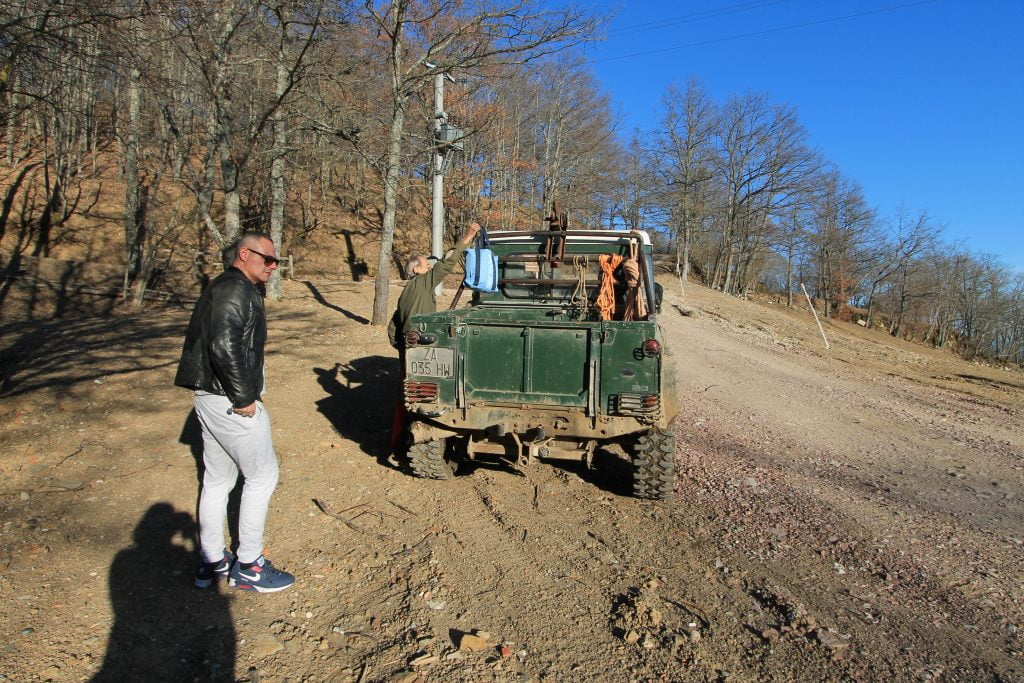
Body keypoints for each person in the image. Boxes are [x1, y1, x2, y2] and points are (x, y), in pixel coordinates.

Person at [174, 231, 294, 593]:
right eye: (268, 259)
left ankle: (213, 561)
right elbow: (223, 346)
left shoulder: (228, 287)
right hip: (230, 401)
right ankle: (250, 565)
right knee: (262, 476)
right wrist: (244, 399)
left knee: (217, 480)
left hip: (210, 397)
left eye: (276, 261)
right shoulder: (235, 289)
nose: (273, 267)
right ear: (244, 254)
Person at [387, 221, 482, 352]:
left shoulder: (405, 292)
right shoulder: (423, 281)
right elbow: (445, 264)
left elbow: (393, 328)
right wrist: (468, 237)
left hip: (408, 346)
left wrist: (401, 349)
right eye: (426, 266)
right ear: (416, 270)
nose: (430, 267)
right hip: (420, 345)